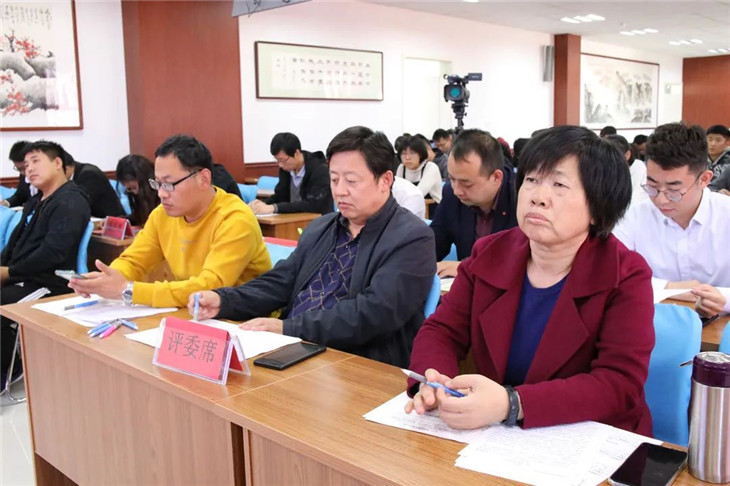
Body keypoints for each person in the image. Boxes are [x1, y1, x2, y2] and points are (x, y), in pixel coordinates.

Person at [405, 125, 654, 435]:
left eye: (559, 184)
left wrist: (513, 403)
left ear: (598, 207)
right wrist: (433, 380)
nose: (538, 197)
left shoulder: (626, 274)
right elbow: (442, 330)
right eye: (532, 180)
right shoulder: (489, 253)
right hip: (500, 436)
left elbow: (619, 383)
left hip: (589, 437)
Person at [189, 126, 436, 367]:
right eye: (334, 179)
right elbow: (281, 281)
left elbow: (374, 313)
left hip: (357, 363)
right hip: (295, 349)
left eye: (351, 181)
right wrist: (224, 300)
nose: (340, 191)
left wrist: (289, 328)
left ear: (385, 181)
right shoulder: (322, 227)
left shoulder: (412, 237)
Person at [69, 135, 271, 308]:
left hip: (244, 319)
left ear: (203, 179)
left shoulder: (235, 218)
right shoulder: (162, 215)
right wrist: (108, 278)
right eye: (157, 183)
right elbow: (134, 260)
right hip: (193, 312)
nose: (161, 193)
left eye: (169, 184)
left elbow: (210, 286)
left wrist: (128, 290)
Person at [614, 122, 730, 317]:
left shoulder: (726, 215)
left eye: (673, 190)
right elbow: (612, 274)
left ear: (704, 179)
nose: (660, 200)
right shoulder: (633, 216)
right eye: (652, 186)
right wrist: (670, 287)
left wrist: (723, 298)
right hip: (656, 325)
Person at [1, 140, 91, 382]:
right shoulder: (36, 201)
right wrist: (4, 268)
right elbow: (14, 245)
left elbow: (53, 253)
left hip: (50, 284)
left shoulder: (71, 201)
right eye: (26, 165)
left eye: (36, 161)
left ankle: (10, 369)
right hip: (24, 277)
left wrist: (9, 273)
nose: (29, 169)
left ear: (57, 163)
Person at [430, 129, 517, 277]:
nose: (457, 190)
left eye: (467, 184)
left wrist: (468, 267)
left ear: (496, 177)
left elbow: (524, 262)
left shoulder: (521, 198)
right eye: (452, 179)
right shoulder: (452, 195)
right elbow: (433, 245)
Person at [249, 132, 333, 215]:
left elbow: (314, 204)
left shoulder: (319, 169)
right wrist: (263, 204)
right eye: (277, 160)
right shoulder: (286, 169)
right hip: (292, 219)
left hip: (319, 219)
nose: (280, 165)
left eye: (282, 160)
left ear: (296, 153)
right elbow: (280, 196)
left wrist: (274, 207)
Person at [63, 151, 126, 218]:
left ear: (66, 169)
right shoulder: (74, 175)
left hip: (112, 220)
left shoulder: (89, 174)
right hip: (94, 220)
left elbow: (79, 205)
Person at [605, 134, 649, 207]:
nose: (607, 162)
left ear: (627, 155)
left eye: (612, 157)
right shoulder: (606, 171)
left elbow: (636, 203)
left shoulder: (639, 169)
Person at [115, 154, 160, 226]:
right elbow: (138, 216)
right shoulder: (141, 196)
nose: (135, 192)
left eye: (134, 187)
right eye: (129, 189)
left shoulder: (162, 193)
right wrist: (116, 221)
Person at [395, 135, 442, 203]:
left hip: (432, 207)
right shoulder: (401, 168)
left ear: (421, 154)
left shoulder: (431, 167)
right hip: (408, 206)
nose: (407, 157)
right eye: (404, 154)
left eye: (412, 153)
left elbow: (418, 193)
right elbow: (397, 192)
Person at [1, 140, 34, 208]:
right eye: (19, 169)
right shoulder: (23, 176)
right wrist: (6, 203)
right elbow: (20, 196)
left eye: (25, 167)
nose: (23, 172)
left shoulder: (47, 178)